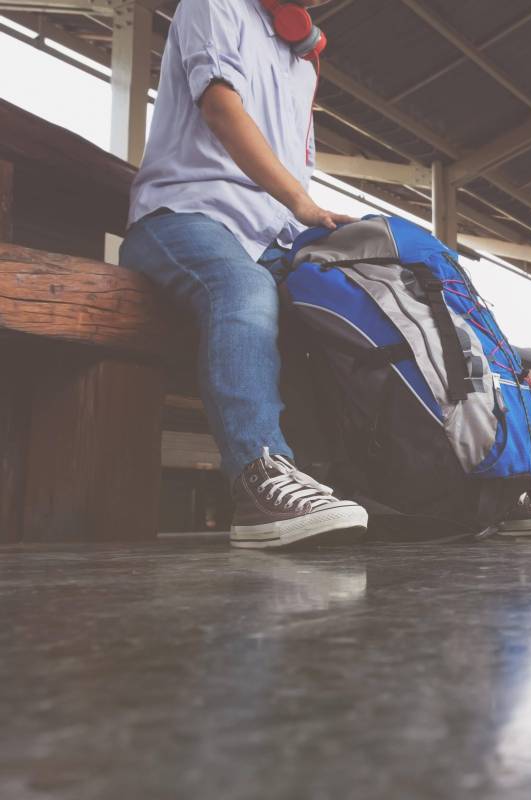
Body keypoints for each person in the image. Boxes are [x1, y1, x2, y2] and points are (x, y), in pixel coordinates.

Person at [119, 0, 368, 549]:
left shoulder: (302, 61)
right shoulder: (215, 5)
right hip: (183, 217)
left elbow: (289, 163)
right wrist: (302, 203)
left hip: (268, 237)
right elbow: (221, 110)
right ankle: (261, 477)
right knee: (245, 288)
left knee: (344, 307)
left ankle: (358, 482)